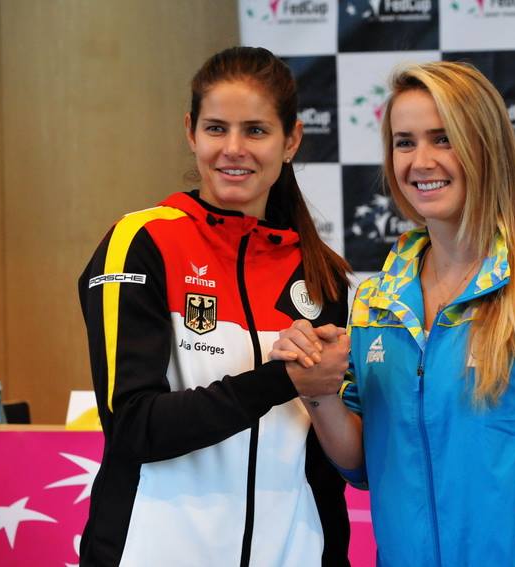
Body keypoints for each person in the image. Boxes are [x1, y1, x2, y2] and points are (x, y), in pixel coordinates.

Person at [272, 61, 515, 567]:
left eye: (443, 139)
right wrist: (317, 390)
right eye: (404, 142)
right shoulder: (378, 300)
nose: (420, 161)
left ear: (486, 147)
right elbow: (362, 464)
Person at [78, 46, 353, 566]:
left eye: (256, 130)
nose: (233, 149)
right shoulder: (141, 242)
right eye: (216, 129)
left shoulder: (322, 274)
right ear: (191, 132)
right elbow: (133, 426)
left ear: (291, 140)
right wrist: (280, 380)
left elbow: (324, 467)